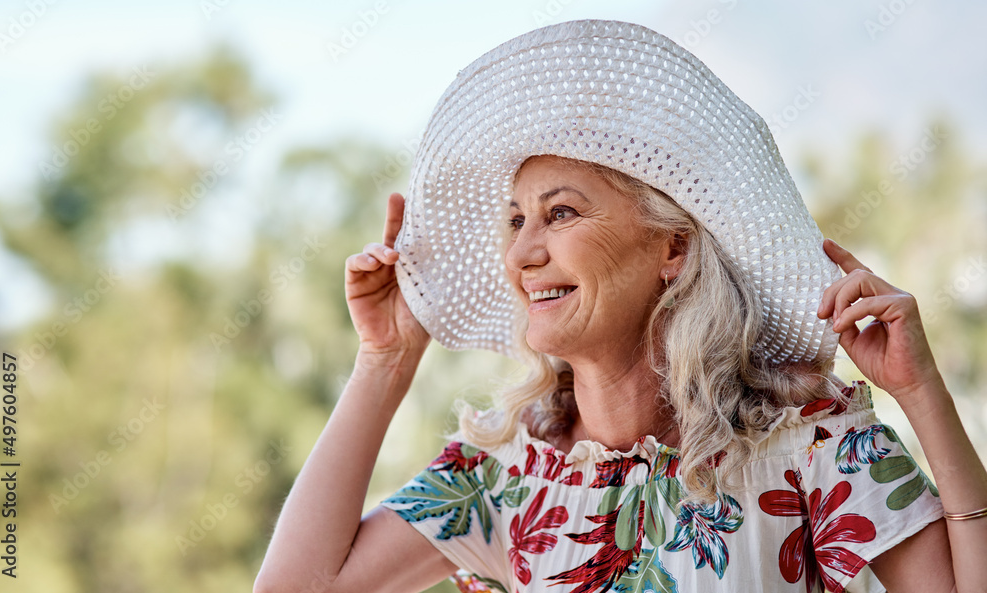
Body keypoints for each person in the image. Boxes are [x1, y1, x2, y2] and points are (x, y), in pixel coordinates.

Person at [254, 20, 987, 593]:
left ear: (671, 247)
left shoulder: (810, 444)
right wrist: (385, 362)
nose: (521, 253)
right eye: (516, 220)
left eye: (561, 213)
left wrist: (921, 395)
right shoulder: (503, 474)